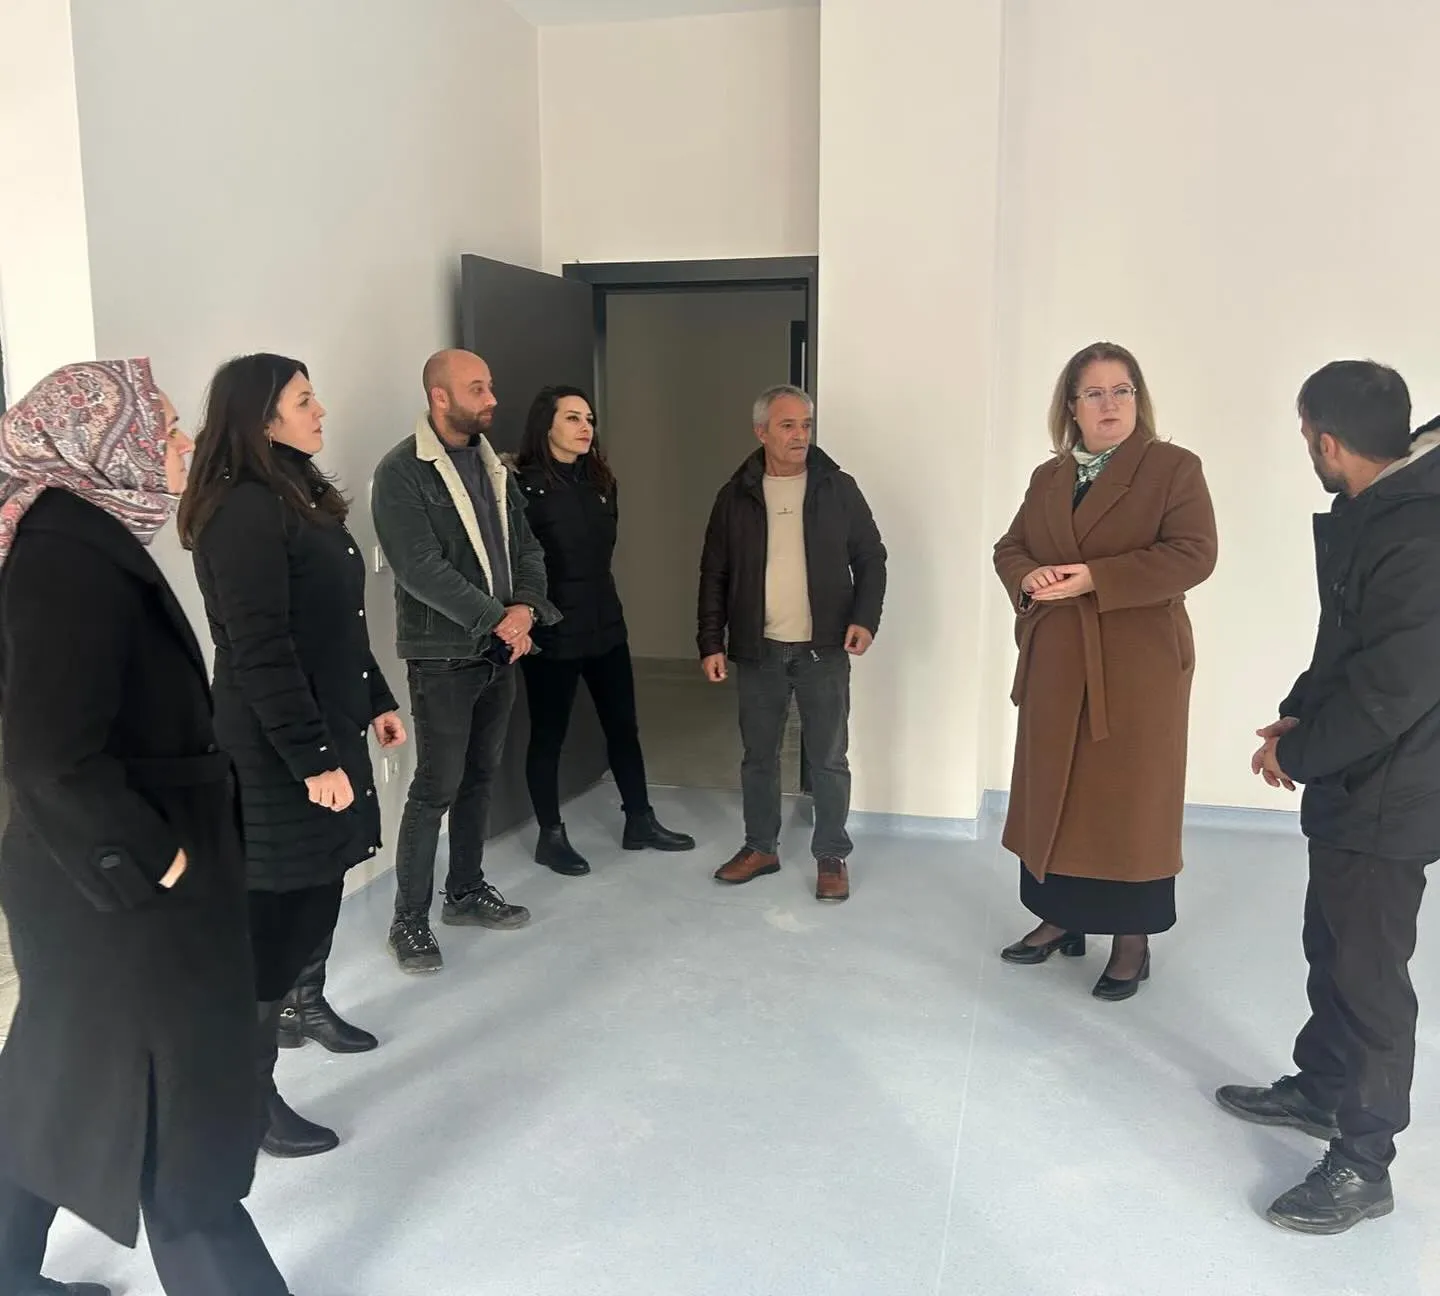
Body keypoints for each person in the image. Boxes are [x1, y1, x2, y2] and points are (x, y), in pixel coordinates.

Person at [0, 360, 291, 1295]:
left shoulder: (74, 536)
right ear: (102, 441)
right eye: (160, 423)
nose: (181, 439)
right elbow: (46, 752)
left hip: (87, 884)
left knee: (59, 1071)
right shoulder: (65, 554)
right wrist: (152, 862)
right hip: (121, 887)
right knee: (176, 1116)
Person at [1217, 361, 1440, 1235]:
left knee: (1371, 977)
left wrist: (1302, 751)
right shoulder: (1378, 509)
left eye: (1306, 433)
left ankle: (1363, 1163)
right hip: (1360, 780)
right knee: (1332, 945)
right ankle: (1322, 1088)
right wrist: (1300, 714)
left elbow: (1392, 689)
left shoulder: (1420, 532)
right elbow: (1347, 644)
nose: (1305, 446)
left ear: (1330, 442)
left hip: (1395, 790)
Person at [180, 353, 405, 1158]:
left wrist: (376, 699)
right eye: (305, 400)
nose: (321, 411)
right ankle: (246, 1098)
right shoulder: (243, 509)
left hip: (322, 726)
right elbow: (261, 649)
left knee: (316, 888)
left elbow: (334, 622)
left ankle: (301, 1008)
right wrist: (313, 761)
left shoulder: (297, 491)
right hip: (275, 748)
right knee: (275, 919)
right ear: (261, 417)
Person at [993, 341, 1217, 1000]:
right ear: (1072, 406)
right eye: (1094, 393)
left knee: (1129, 802)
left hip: (1137, 666)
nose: (1110, 404)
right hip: (1057, 658)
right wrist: (1028, 576)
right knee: (1055, 793)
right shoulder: (1050, 476)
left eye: (1122, 390)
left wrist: (1096, 577)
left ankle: (1131, 940)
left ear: (1138, 398)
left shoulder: (1173, 467)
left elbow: (1195, 554)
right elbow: (1011, 546)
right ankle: (1059, 916)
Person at [372, 350, 559, 973]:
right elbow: (419, 567)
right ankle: (408, 921)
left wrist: (525, 609)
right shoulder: (401, 472)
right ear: (439, 397)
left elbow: (527, 549)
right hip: (443, 657)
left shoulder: (492, 466)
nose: (492, 399)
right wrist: (498, 619)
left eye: (490, 386)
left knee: (480, 777)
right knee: (436, 788)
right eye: (477, 388)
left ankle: (466, 891)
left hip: (499, 649)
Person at [697, 384, 886, 903]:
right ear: (761, 432)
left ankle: (831, 855)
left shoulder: (837, 488)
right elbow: (714, 573)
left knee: (828, 759)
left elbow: (871, 557)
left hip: (824, 649)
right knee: (758, 757)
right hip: (759, 651)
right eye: (788, 425)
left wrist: (865, 619)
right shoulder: (735, 496)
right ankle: (761, 847)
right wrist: (711, 641)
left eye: (806, 424)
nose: (800, 435)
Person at [512, 386, 694, 875]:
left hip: (605, 623)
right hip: (551, 629)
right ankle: (551, 836)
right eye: (572, 418)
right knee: (548, 734)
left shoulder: (601, 482)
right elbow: (515, 562)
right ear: (546, 425)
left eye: (589, 418)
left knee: (623, 727)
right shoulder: (520, 487)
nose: (585, 427)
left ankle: (640, 820)